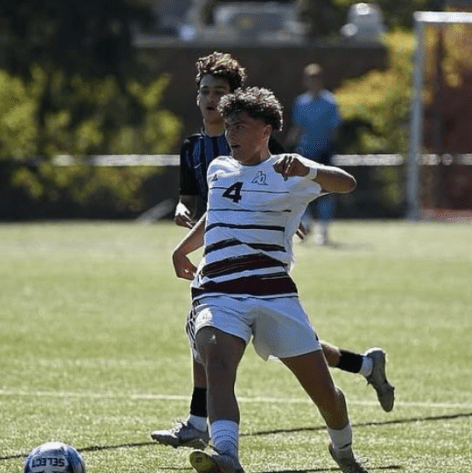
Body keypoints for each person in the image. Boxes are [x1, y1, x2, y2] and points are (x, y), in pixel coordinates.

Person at [152, 52, 394, 451]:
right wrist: (183, 237)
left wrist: (293, 197)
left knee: (303, 354)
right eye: (206, 92)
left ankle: (362, 374)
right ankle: (208, 430)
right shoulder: (198, 151)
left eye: (220, 93)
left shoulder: (262, 139)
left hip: (265, 273)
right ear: (197, 98)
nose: (213, 101)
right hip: (217, 272)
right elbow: (205, 203)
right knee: (209, 340)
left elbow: (293, 179)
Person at [172, 86, 373, 473]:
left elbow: (348, 183)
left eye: (240, 126)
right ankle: (226, 452)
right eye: (228, 126)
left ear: (266, 130)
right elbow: (216, 214)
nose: (230, 133)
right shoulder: (219, 170)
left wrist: (309, 171)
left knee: (327, 396)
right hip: (218, 289)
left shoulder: (288, 170)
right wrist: (182, 248)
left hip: (273, 293)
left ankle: (344, 452)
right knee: (216, 358)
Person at [286, 63, 342, 245]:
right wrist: (287, 147)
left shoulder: (330, 102)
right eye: (310, 78)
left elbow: (335, 129)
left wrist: (331, 148)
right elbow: (297, 128)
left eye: (316, 78)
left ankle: (323, 230)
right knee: (302, 189)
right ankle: (307, 224)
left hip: (324, 152)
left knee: (326, 191)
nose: (313, 82)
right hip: (305, 152)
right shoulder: (301, 102)